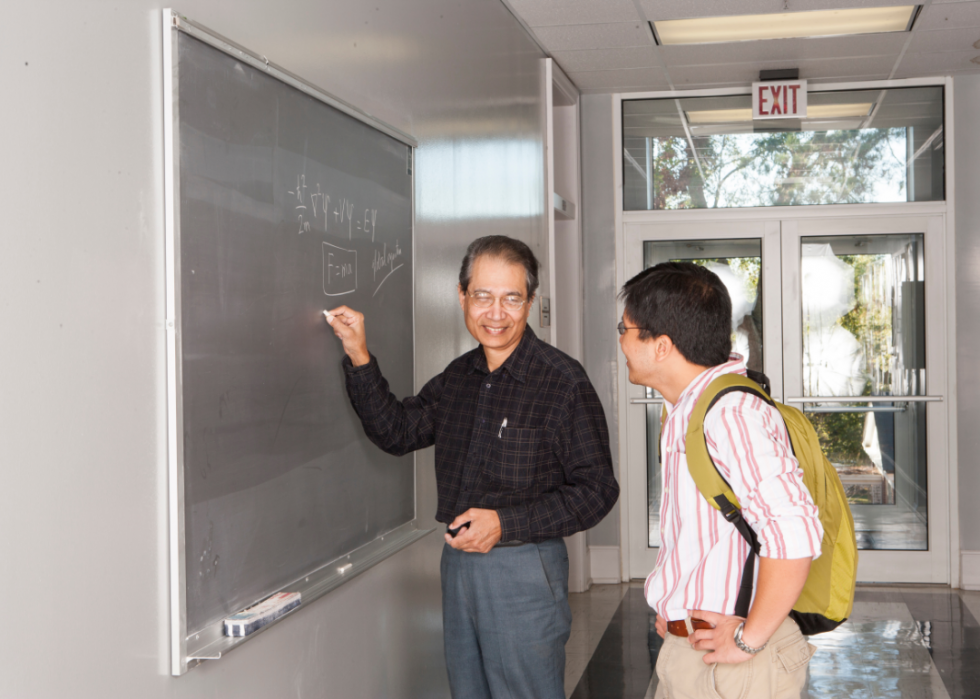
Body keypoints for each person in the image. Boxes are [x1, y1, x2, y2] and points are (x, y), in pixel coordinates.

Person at [325, 235, 619, 699]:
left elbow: (598, 489)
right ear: (462, 297)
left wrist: (505, 523)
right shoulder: (459, 376)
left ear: (531, 303)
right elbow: (398, 432)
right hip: (459, 565)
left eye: (511, 298)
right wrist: (359, 354)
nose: (495, 313)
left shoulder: (562, 381)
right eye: (482, 295)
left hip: (525, 568)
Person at [617, 262, 823, 699]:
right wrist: (676, 604)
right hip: (695, 650)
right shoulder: (689, 410)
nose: (620, 342)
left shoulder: (729, 414)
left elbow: (795, 532)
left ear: (661, 345)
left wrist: (750, 637)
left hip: (734, 666)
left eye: (626, 329)